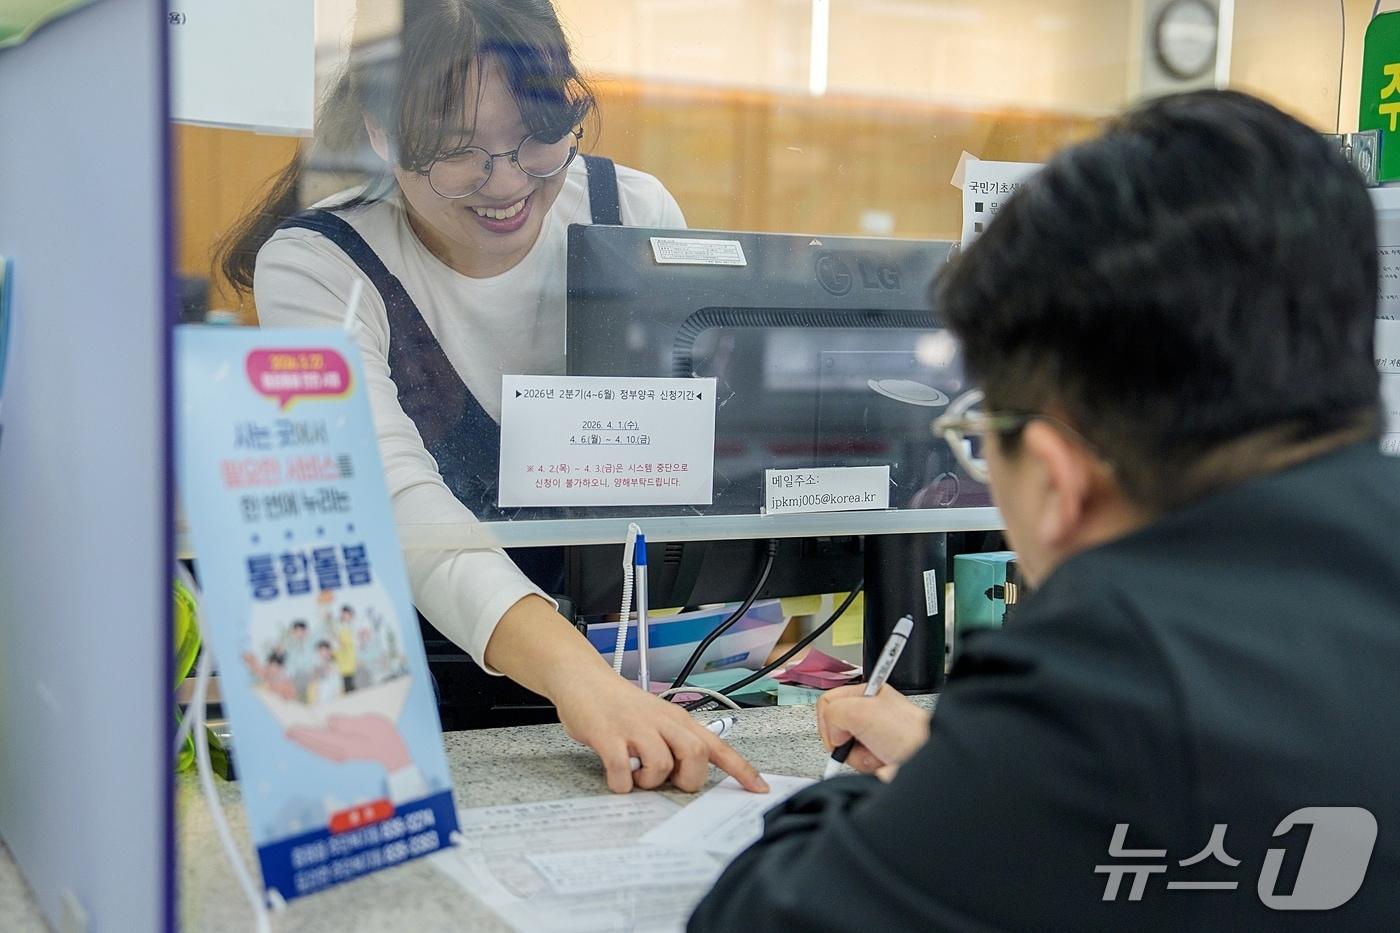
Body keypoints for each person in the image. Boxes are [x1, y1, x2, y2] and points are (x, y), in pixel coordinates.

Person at [690, 91, 1400, 930]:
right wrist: (978, 774)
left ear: (1057, 479)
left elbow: (759, 915)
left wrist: (939, 786)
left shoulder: (1110, 673)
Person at [217, 0, 763, 795]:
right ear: (380, 135)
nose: (506, 184)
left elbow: (681, 468)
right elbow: (395, 500)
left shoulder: (632, 217)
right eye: (460, 153)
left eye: (537, 140)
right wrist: (577, 678)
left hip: (627, 679)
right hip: (412, 700)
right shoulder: (318, 266)